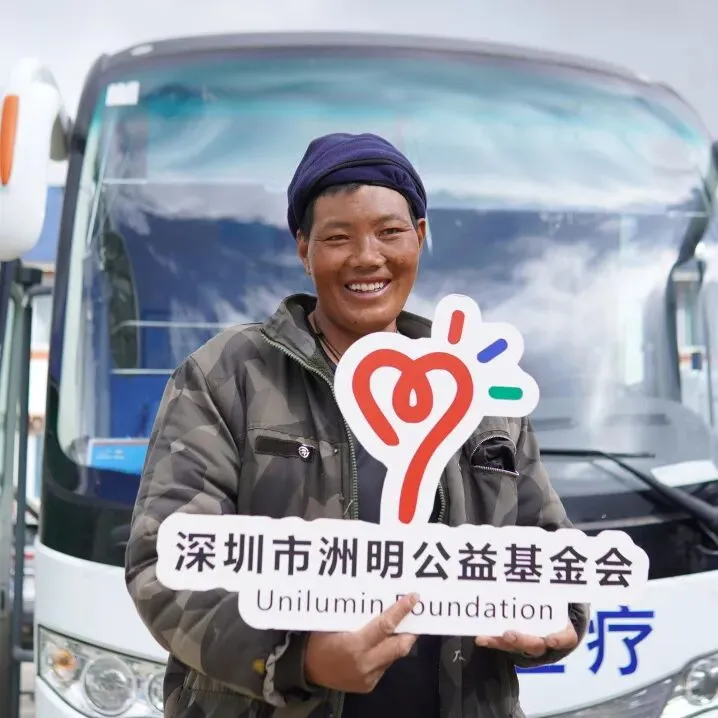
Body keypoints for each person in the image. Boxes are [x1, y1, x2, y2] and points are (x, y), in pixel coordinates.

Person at [125, 131, 589, 718]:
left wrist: (559, 618)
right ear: (304, 248)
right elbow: (163, 563)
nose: (367, 257)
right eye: (338, 237)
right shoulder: (228, 376)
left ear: (420, 235)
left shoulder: (477, 380)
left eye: (390, 232)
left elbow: (550, 548)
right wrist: (298, 660)